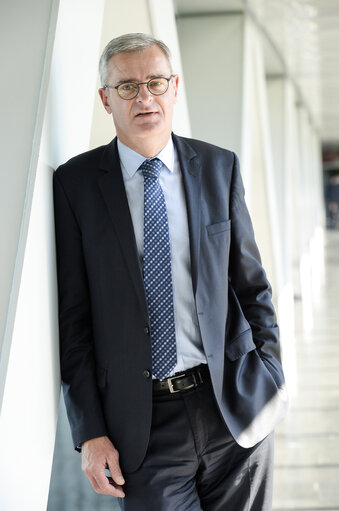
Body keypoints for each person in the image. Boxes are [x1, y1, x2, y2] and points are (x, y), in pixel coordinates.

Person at [53, 32, 288, 511]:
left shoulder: (219, 168)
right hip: (141, 427)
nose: (144, 97)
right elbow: (73, 321)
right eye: (127, 87)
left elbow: (251, 286)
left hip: (233, 407)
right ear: (105, 98)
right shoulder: (75, 186)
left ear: (174, 88)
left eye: (155, 82)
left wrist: (271, 379)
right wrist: (90, 432)